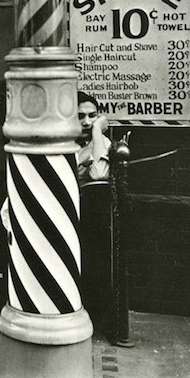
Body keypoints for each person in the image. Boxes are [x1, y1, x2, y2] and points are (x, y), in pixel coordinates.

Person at [76, 91, 115, 339]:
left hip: (92, 220)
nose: (87, 121)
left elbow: (99, 174)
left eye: (92, 116)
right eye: (80, 116)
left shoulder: (103, 144)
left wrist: (98, 134)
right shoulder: (66, 146)